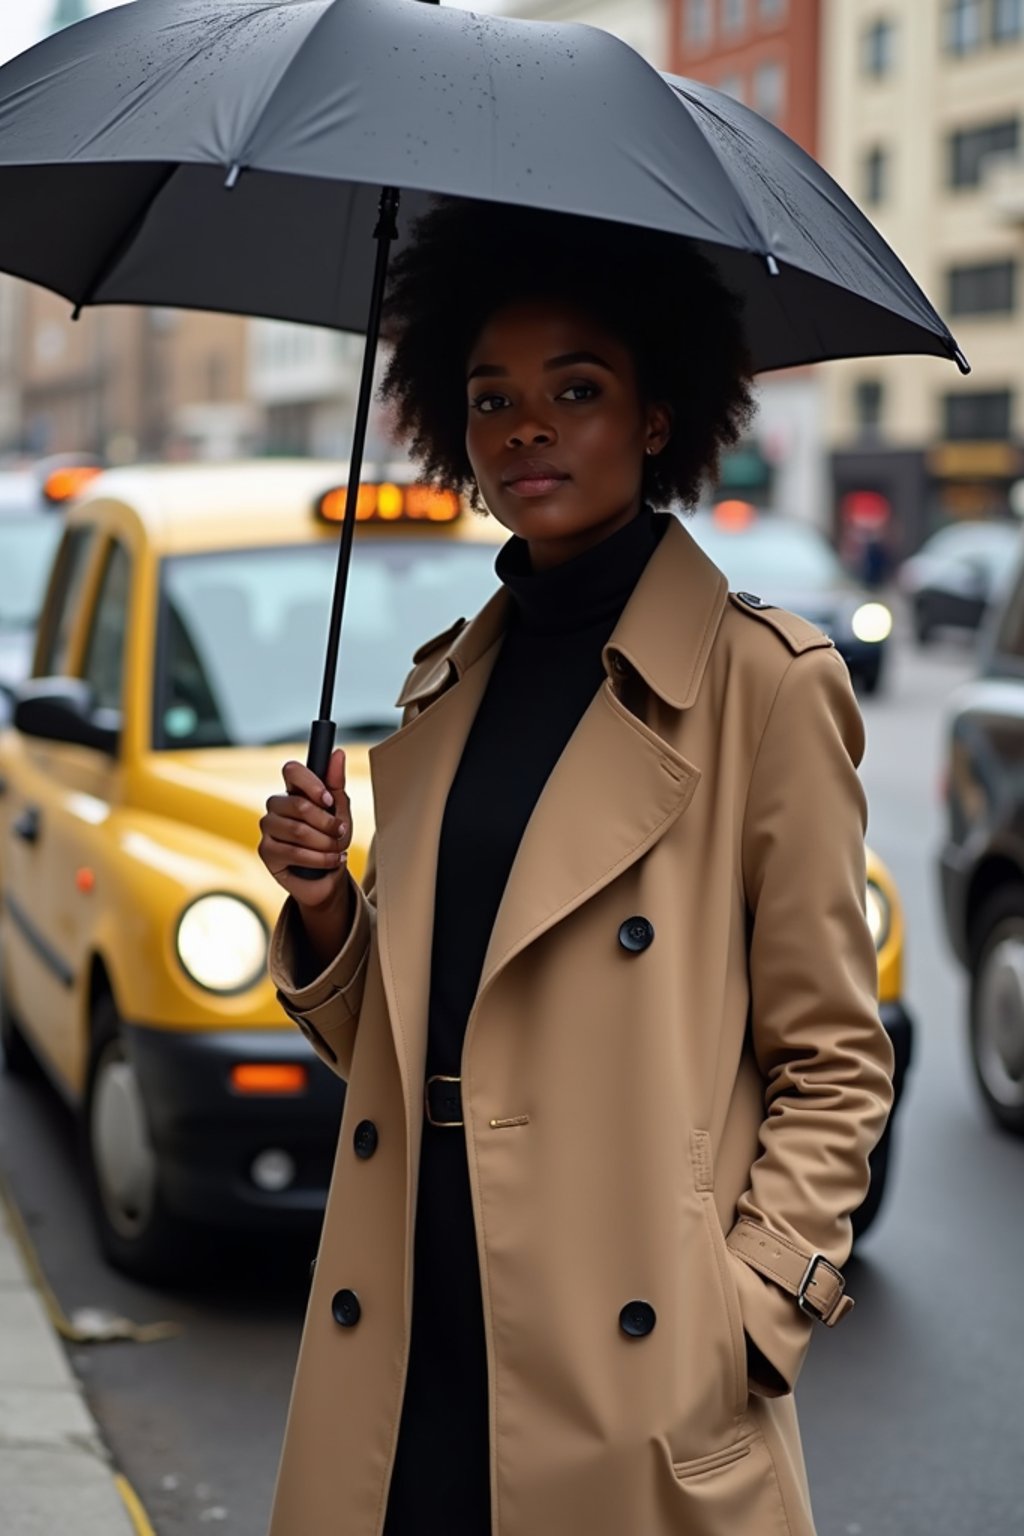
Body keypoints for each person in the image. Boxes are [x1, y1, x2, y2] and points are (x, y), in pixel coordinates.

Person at [258, 199, 894, 1536]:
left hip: (628, 1365)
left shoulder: (764, 688)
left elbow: (835, 1059)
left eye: (577, 388)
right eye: (491, 397)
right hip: (412, 1303)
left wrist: (749, 1313)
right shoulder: (444, 687)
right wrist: (325, 911)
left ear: (658, 417)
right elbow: (417, 1046)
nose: (525, 426)